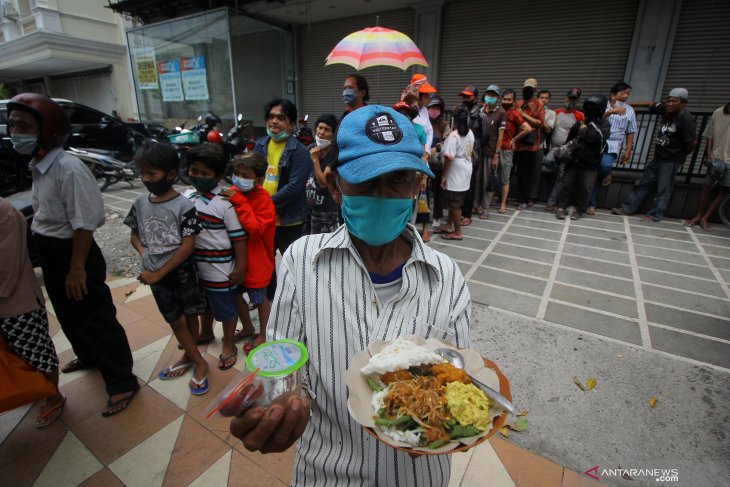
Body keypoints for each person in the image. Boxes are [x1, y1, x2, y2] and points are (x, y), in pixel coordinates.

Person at [230, 104, 471, 486]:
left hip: (418, 475)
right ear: (333, 183)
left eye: (398, 181)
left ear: (417, 187)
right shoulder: (302, 260)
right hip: (326, 472)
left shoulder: (447, 277)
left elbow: (457, 378)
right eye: (365, 181)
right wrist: (281, 404)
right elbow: (284, 363)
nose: (382, 196)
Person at [7, 93, 139, 417]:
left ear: (47, 129)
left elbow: (84, 222)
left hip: (74, 251)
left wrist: (77, 267)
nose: (14, 132)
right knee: (67, 313)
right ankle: (89, 355)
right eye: (12, 124)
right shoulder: (40, 165)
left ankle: (122, 380)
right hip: (52, 250)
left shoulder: (69, 168)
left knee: (95, 316)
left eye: (23, 125)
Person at [124, 140, 209, 394]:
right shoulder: (140, 203)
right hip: (155, 275)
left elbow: (188, 245)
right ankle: (200, 362)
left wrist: (160, 270)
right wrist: (145, 253)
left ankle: (190, 356)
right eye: (143, 173)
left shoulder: (184, 205)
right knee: (176, 320)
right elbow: (134, 235)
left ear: (171, 174)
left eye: (152, 173)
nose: (146, 178)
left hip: (181, 271)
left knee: (190, 315)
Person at [0, 197, 65, 428]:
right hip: (6, 303)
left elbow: (7, 264)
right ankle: (33, 388)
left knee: (36, 350)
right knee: (16, 351)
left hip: (16, 301)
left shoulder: (4, 212)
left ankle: (54, 395)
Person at [185, 144, 247, 371]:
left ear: (219, 176)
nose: (198, 177)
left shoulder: (225, 202)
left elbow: (239, 238)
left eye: (204, 173)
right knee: (203, 304)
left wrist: (240, 267)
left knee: (226, 308)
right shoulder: (188, 196)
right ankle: (206, 331)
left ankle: (228, 342)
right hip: (195, 267)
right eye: (194, 171)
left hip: (221, 269)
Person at [254, 98, 312, 301]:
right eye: (271, 117)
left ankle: (298, 302)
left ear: (292, 124)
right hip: (263, 220)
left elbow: (295, 188)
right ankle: (271, 303)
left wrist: (264, 204)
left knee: (294, 264)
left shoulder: (299, 152)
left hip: (289, 221)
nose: (274, 122)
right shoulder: (260, 145)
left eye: (281, 118)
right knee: (265, 264)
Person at [613, 88, 697, 222]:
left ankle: (655, 214)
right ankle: (627, 207)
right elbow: (649, 104)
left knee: (663, 188)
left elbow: (691, 142)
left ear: (683, 103)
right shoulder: (665, 109)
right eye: (669, 101)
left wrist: (681, 154)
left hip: (671, 159)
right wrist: (628, 105)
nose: (670, 104)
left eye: (674, 101)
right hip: (658, 157)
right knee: (643, 183)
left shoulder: (686, 119)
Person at [221, 152, 276, 349]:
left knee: (260, 300)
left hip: (257, 263)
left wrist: (239, 201)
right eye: (236, 173)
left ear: (259, 179)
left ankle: (264, 333)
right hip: (233, 261)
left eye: (245, 175)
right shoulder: (233, 192)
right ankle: (247, 327)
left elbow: (255, 229)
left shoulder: (263, 200)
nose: (239, 179)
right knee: (236, 296)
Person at [555, 96, 611, 220]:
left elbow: (596, 138)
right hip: (574, 159)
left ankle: (580, 210)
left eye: (594, 107)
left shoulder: (604, 124)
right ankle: (561, 207)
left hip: (591, 162)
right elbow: (570, 139)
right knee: (566, 184)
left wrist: (584, 130)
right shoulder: (581, 121)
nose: (591, 110)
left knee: (586, 187)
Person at [586, 82, 637, 215]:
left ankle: (608, 173)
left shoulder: (630, 110)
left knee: (605, 165)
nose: (625, 96)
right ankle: (592, 204)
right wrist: (611, 111)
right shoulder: (603, 106)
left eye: (627, 94)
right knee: (594, 174)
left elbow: (630, 131)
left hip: (614, 143)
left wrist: (627, 150)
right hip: (598, 141)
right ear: (613, 95)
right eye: (622, 93)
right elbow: (594, 120)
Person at [684, 102, 730, 231]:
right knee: (706, 187)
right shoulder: (719, 112)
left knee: (724, 190)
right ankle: (698, 216)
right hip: (715, 157)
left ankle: (706, 217)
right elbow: (709, 135)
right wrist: (708, 153)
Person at [394, 97, 431, 242]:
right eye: (399, 113)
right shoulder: (391, 130)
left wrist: (423, 175)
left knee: (420, 202)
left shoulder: (419, 130)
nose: (403, 116)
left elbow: (423, 154)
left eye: (406, 113)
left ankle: (419, 231)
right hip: (397, 171)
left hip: (415, 171)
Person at [438, 105, 475, 240]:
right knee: (454, 199)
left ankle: (457, 231)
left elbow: (448, 157)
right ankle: (449, 225)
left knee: (454, 202)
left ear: (455, 119)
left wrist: (444, 175)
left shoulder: (454, 136)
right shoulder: (470, 133)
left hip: (455, 170)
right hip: (466, 168)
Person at [545, 88, 584, 211]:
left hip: (567, 151)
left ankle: (551, 202)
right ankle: (555, 174)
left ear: (577, 100)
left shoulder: (579, 115)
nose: (571, 101)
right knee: (547, 162)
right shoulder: (555, 113)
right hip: (554, 148)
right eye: (569, 98)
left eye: (574, 99)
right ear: (565, 98)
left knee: (561, 177)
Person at [455, 85, 488, 226]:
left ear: (474, 97)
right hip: (457, 153)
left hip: (472, 155)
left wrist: (476, 148)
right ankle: (457, 211)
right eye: (463, 96)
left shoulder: (481, 116)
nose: (465, 99)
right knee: (458, 183)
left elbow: (485, 136)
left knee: (470, 184)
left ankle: (467, 214)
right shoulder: (459, 111)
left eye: (468, 96)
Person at [303, 114, 341, 235]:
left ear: (333, 134)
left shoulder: (335, 153)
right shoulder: (311, 147)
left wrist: (315, 160)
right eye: (320, 128)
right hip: (310, 207)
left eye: (327, 129)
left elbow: (324, 183)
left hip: (328, 210)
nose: (321, 132)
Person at [499, 89, 532, 214]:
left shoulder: (513, 114)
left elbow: (527, 128)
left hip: (506, 149)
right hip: (495, 148)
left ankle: (503, 203)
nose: (506, 101)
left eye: (509, 99)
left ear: (513, 101)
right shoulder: (498, 112)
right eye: (504, 99)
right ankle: (490, 201)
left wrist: (514, 139)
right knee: (493, 175)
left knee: (505, 177)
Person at [514, 78, 546, 209]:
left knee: (527, 173)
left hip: (531, 144)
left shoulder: (538, 104)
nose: (527, 92)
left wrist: (523, 115)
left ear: (534, 91)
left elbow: (540, 123)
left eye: (530, 90)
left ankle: (524, 199)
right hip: (517, 142)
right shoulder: (518, 103)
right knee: (517, 171)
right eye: (525, 89)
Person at [479, 84, 506, 219]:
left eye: (493, 95)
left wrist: (496, 154)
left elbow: (500, 136)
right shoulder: (481, 111)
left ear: (497, 97)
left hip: (491, 151)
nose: (490, 97)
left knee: (487, 180)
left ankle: (486, 207)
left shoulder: (500, 112)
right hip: (479, 151)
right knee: (478, 179)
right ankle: (477, 204)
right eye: (489, 94)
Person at [427, 94, 451, 228]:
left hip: (437, 163)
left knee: (438, 192)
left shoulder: (444, 124)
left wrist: (436, 148)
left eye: (437, 107)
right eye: (432, 107)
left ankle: (437, 216)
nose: (434, 110)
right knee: (422, 191)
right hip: (424, 162)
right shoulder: (423, 122)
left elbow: (448, 140)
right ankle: (421, 215)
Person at [403, 73, 437, 154]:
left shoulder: (425, 110)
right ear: (419, 96)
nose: (428, 98)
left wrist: (426, 150)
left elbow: (429, 130)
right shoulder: (405, 110)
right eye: (427, 95)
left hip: (424, 152)